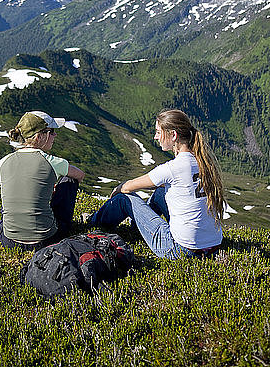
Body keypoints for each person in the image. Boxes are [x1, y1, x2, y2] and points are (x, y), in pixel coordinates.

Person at [88, 109, 224, 259]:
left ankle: (93, 222)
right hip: (213, 247)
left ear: (173, 135)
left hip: (179, 249)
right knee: (160, 193)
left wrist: (117, 190)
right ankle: (138, 229)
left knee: (124, 199)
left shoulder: (172, 168)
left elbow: (128, 187)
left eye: (159, 132)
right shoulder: (204, 162)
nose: (155, 137)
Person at [0, 110, 85, 250]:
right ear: (39, 137)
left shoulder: (4, 162)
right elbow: (80, 175)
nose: (55, 135)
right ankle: (59, 224)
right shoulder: (52, 162)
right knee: (70, 180)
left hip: (8, 240)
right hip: (46, 240)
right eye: (52, 131)